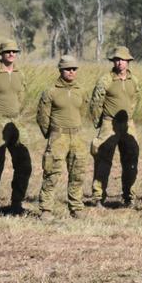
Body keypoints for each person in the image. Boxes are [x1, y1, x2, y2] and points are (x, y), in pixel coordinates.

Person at [0, 40, 31, 214]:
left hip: (16, 121)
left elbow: (22, 95)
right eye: (7, 51)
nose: (11, 54)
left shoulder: (20, 74)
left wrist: (18, 114)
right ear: (1, 54)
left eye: (14, 51)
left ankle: (16, 203)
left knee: (24, 163)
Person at [36, 55, 88, 218]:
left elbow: (83, 111)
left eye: (74, 69)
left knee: (78, 174)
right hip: (58, 137)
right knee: (52, 174)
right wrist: (51, 134)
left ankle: (76, 208)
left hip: (77, 137)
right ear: (60, 70)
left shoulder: (81, 91)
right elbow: (42, 117)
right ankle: (46, 209)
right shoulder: (50, 91)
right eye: (67, 69)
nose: (71, 72)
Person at [89, 46, 139, 207]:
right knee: (103, 159)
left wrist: (129, 118)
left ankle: (128, 196)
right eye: (117, 60)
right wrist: (100, 122)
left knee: (131, 159)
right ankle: (98, 197)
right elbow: (96, 103)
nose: (120, 63)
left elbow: (135, 100)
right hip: (109, 123)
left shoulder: (134, 80)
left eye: (123, 60)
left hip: (128, 124)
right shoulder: (106, 80)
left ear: (128, 62)